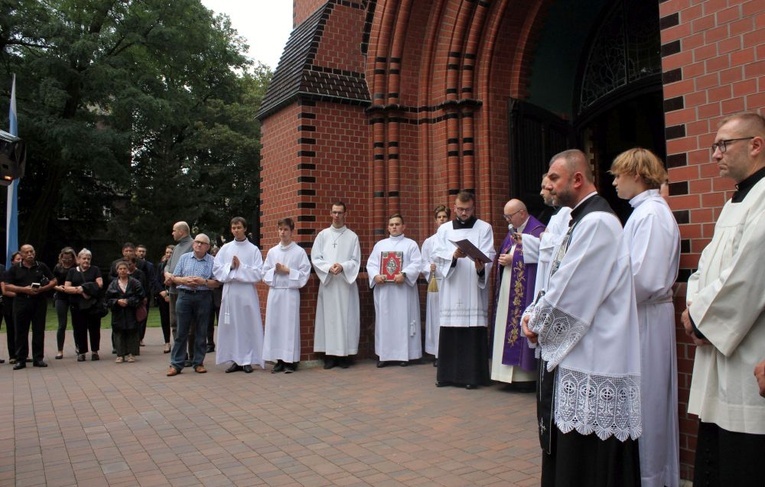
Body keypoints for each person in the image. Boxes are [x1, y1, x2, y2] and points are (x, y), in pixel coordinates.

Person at [522, 149, 641, 486]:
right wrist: (533, 314)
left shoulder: (597, 222)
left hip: (594, 357)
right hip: (580, 353)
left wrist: (537, 323)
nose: (548, 184)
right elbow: (559, 280)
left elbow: (572, 292)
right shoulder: (580, 219)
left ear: (577, 179)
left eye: (554, 178)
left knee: (588, 462)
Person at [681, 112, 765, 486]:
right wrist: (693, 307)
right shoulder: (735, 202)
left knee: (744, 461)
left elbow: (747, 276)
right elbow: (705, 267)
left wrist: (699, 319)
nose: (715, 154)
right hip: (720, 352)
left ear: (756, 145)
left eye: (723, 145)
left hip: (748, 353)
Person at [611, 147, 681, 487]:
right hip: (642, 314)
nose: (614, 183)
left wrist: (606, 297)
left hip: (648, 317)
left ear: (636, 175)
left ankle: (652, 478)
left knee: (648, 401)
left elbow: (645, 278)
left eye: (618, 176)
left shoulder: (651, 214)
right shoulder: (642, 212)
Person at [432, 191, 496, 389]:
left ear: (473, 207)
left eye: (467, 209)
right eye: (460, 209)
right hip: (452, 286)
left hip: (471, 287)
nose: (463, 213)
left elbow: (489, 254)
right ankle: (447, 376)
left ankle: (471, 377)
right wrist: (453, 256)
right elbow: (436, 253)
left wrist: (481, 267)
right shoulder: (444, 229)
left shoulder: (484, 228)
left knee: (471, 330)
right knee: (450, 329)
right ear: (455, 206)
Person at [490, 199, 545, 389]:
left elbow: (544, 256)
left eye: (509, 216)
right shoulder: (512, 231)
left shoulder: (537, 230)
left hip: (525, 291)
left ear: (522, 213)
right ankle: (504, 375)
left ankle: (523, 377)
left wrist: (514, 258)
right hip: (508, 289)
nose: (507, 220)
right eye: (505, 216)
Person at [367, 214, 423, 367]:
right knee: (384, 322)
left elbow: (417, 264)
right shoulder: (380, 245)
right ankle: (384, 355)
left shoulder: (410, 244)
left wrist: (404, 274)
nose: (394, 227)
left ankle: (403, 355)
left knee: (403, 320)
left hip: (403, 290)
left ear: (403, 226)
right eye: (391, 224)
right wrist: (376, 275)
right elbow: (371, 264)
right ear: (387, 227)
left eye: (397, 224)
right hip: (385, 290)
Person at [312, 202, 361, 370]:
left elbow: (356, 260)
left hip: (345, 284)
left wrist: (343, 266)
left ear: (345, 214)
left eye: (340, 212)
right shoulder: (323, 235)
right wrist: (328, 268)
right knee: (329, 319)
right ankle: (330, 356)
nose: (337, 216)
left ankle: (344, 356)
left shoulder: (352, 236)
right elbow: (316, 258)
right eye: (334, 212)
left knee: (346, 318)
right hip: (329, 284)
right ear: (330, 213)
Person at [213, 217, 264, 374]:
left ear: (245, 229)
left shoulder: (253, 249)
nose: (236, 230)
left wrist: (241, 267)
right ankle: (235, 359)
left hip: (246, 292)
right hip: (230, 292)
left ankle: (247, 360)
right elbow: (216, 269)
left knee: (246, 325)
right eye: (233, 227)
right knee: (232, 326)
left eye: (239, 227)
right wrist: (231, 266)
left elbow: (258, 273)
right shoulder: (226, 248)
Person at [262, 218, 311, 373]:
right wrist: (275, 271)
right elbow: (264, 272)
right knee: (275, 326)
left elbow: (305, 273)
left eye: (286, 230)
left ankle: (290, 361)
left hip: (290, 293)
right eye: (280, 229)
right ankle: (279, 360)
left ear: (291, 231)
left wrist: (288, 271)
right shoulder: (272, 252)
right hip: (276, 292)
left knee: (289, 327)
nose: (282, 232)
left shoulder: (299, 252)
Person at [167, 233, 219, 376]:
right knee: (181, 331)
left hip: (203, 296)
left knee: (201, 331)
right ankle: (176, 364)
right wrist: (184, 281)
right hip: (185, 296)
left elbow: (218, 282)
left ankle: (198, 362)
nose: (198, 245)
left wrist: (204, 282)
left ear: (207, 247)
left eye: (202, 243)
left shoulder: (213, 261)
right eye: (196, 242)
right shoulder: (184, 258)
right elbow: (174, 277)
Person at [6, 244, 57, 370]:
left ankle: (38, 358)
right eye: (27, 252)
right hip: (21, 302)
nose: (30, 254)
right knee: (20, 331)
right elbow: (7, 285)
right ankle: (20, 360)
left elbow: (54, 281)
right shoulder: (15, 269)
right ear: (22, 255)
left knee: (38, 330)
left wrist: (43, 289)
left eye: (32, 251)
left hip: (38, 302)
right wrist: (23, 289)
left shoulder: (41, 266)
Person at [420, 205, 450, 366]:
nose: (442, 219)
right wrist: (427, 268)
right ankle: (438, 353)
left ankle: (449, 352)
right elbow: (422, 262)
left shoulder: (452, 238)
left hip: (449, 283)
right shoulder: (429, 242)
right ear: (435, 220)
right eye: (439, 217)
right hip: (435, 284)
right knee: (436, 318)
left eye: (445, 216)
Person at [64, 248, 105, 362]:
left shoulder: (95, 270)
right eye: (84, 258)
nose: (86, 260)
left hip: (92, 305)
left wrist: (85, 288)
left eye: (88, 258)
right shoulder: (72, 271)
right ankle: (81, 352)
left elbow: (99, 284)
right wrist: (80, 290)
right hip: (77, 305)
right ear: (78, 259)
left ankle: (95, 351)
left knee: (94, 328)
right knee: (79, 329)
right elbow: (66, 288)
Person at [164, 222, 193, 358]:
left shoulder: (193, 245)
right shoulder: (175, 248)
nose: (172, 233)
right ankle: (180, 353)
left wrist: (174, 278)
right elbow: (167, 265)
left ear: (181, 232)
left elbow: (191, 267)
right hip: (173, 290)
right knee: (174, 322)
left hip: (185, 290)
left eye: (174, 230)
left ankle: (190, 352)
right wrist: (167, 275)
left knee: (187, 324)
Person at [106, 261, 145, 363]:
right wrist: (117, 301)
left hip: (131, 311)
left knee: (132, 331)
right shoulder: (113, 284)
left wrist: (129, 301)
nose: (122, 271)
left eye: (124, 269)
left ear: (128, 270)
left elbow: (140, 296)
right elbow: (107, 299)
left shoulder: (135, 283)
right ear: (117, 271)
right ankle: (120, 354)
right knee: (118, 332)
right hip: (118, 313)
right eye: (120, 269)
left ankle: (132, 353)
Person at [52, 247, 77, 359]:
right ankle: (60, 350)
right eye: (65, 258)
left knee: (77, 323)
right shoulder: (57, 268)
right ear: (61, 257)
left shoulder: (76, 268)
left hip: (73, 297)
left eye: (69, 258)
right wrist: (59, 288)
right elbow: (52, 282)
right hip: (60, 297)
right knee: (62, 324)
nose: (67, 260)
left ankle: (78, 347)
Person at [1, 251, 22, 364]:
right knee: (11, 330)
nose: (20, 261)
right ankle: (13, 355)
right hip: (10, 305)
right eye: (18, 259)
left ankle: (22, 353)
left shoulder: (25, 273)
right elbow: (5, 290)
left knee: (22, 330)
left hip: (22, 305)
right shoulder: (7, 273)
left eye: (21, 259)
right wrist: (22, 292)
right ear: (12, 261)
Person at [136, 244, 157, 346]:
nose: (141, 253)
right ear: (136, 252)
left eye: (143, 251)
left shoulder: (149, 265)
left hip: (145, 293)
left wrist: (149, 292)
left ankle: (140, 338)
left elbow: (152, 279)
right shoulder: (132, 264)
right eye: (139, 251)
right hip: (133, 294)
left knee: (143, 316)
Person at [156, 245, 174, 353]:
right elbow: (156, 280)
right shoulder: (160, 266)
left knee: (177, 320)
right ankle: (167, 341)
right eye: (167, 252)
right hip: (163, 296)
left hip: (175, 295)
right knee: (165, 319)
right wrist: (162, 292)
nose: (168, 255)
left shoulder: (177, 265)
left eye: (170, 253)